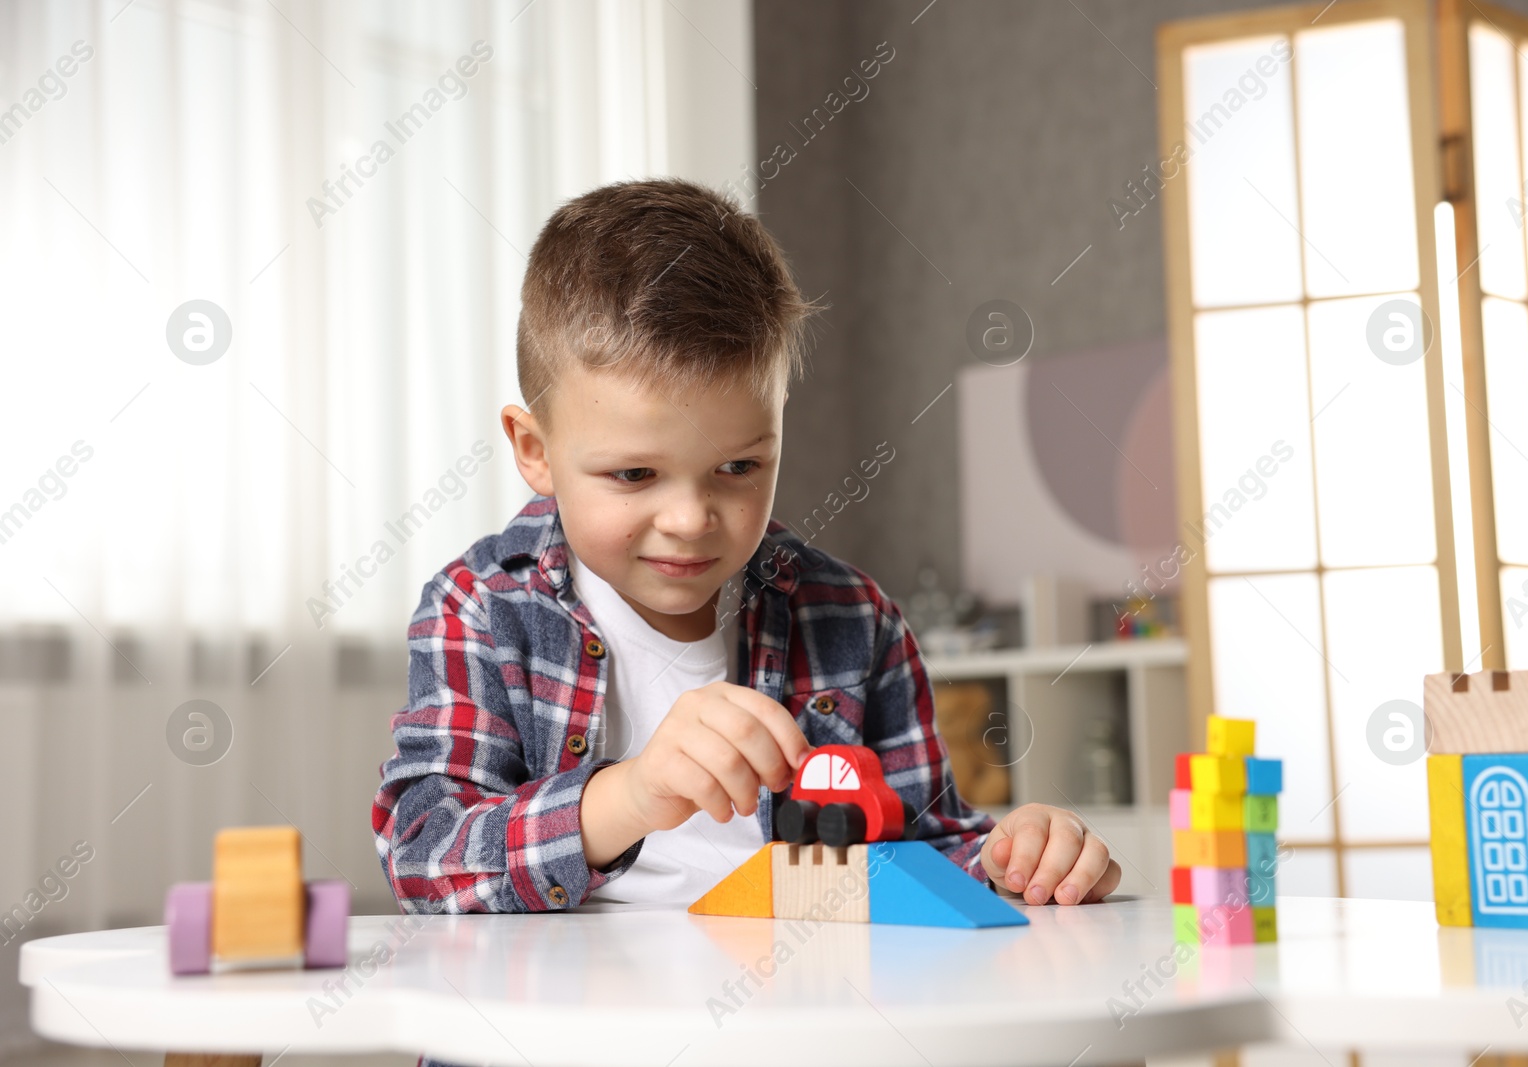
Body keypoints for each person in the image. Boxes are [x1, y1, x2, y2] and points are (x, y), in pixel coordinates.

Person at [371, 178, 1120, 921]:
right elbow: (423, 856)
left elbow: (921, 846)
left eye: (738, 467)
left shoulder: (855, 621)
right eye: (635, 474)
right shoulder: (483, 608)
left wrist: (1013, 858)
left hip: (792, 1013)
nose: (692, 517)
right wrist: (627, 797)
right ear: (535, 449)